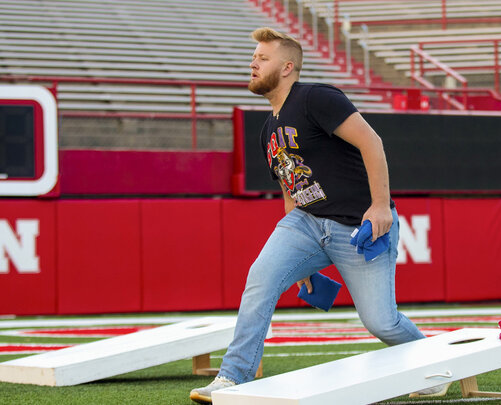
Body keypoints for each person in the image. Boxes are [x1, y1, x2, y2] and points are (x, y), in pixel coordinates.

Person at [189, 27, 447, 403]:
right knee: (261, 277)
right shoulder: (267, 131)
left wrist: (379, 206)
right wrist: (304, 265)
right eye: (254, 57)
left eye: (263, 58)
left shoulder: (315, 98)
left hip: (358, 226)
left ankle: (432, 366)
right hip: (305, 221)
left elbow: (371, 142)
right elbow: (291, 192)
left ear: (288, 66)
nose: (253, 63)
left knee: (380, 320)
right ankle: (232, 378)